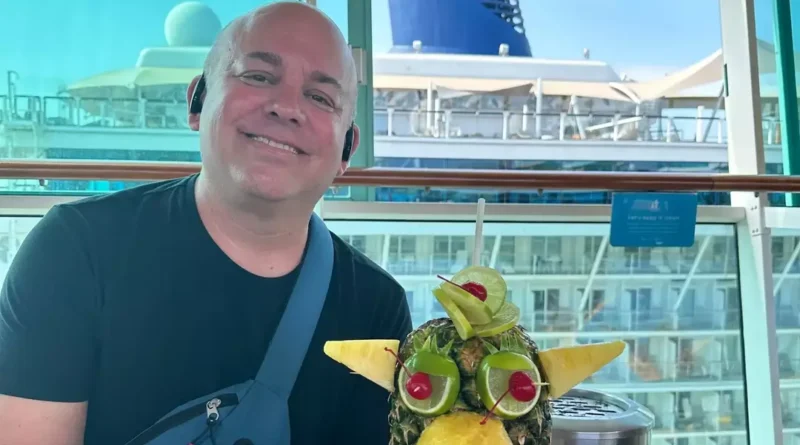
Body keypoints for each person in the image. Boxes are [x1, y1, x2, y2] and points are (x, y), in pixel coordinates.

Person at [0, 2, 412, 444]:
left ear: (347, 149)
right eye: (258, 76)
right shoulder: (75, 252)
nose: (286, 107)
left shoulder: (376, 307)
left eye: (320, 98)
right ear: (198, 101)